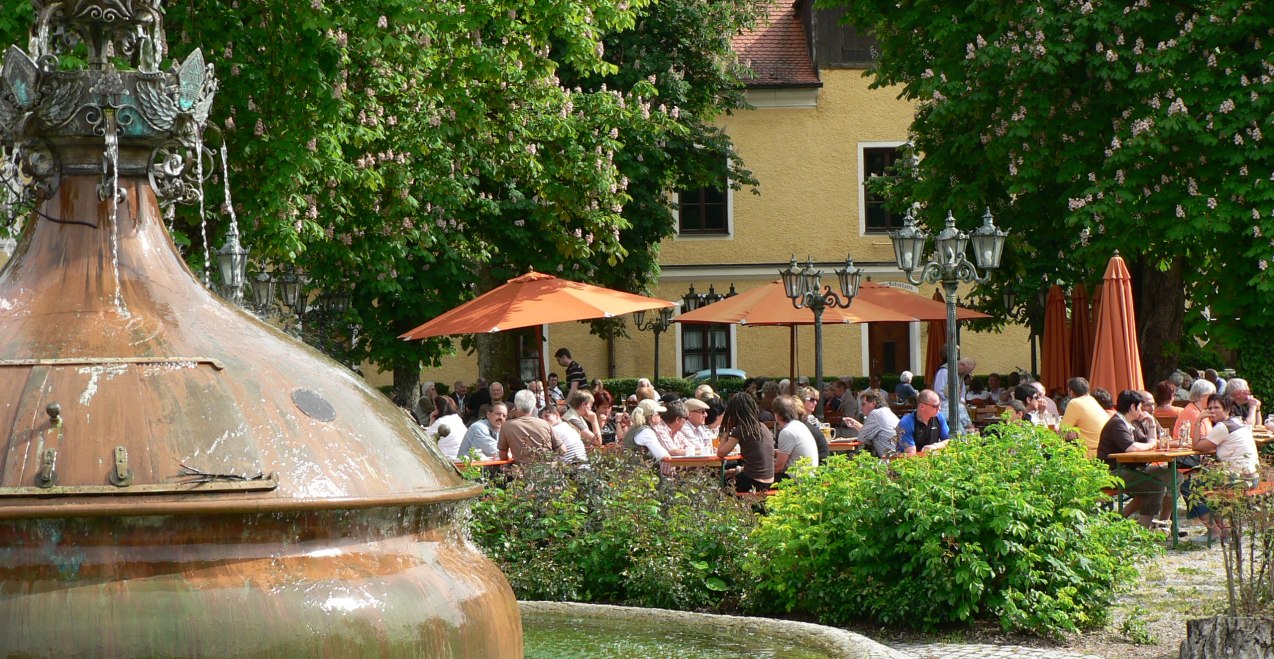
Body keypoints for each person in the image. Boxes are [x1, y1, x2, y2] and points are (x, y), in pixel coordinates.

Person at [1185, 393, 1260, 537]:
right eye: (1209, 408)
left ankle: (1213, 531)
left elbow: (1197, 446)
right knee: (1206, 482)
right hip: (1251, 476)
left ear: (1227, 410)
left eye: (1216, 408)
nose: (1212, 411)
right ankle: (1224, 530)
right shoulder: (1238, 422)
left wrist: (1199, 420)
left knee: (1188, 486)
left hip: (1239, 479)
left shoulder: (1222, 427)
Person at [1097, 390, 1169, 530]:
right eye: (1140, 407)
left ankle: (1153, 525)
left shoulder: (1127, 423)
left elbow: (1148, 441)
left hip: (1128, 469)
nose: (1141, 411)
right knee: (1154, 486)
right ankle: (1142, 530)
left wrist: (1151, 424)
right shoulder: (1117, 423)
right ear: (1132, 407)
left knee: (1169, 477)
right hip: (1111, 472)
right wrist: (1150, 445)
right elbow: (1131, 447)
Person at [716, 393, 775, 493]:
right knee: (731, 475)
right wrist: (737, 471)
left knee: (722, 483)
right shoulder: (762, 426)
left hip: (754, 482)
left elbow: (720, 453)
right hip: (770, 481)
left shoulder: (741, 430)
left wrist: (725, 433)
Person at [497, 389, 563, 464]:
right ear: (534, 406)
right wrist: (548, 460)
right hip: (546, 471)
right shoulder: (545, 424)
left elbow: (502, 454)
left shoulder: (506, 426)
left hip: (522, 472)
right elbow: (562, 450)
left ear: (515, 406)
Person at [1059, 377, 1108, 457]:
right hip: (1103, 451)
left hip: (1088, 454)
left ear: (1071, 392)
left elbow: (1062, 432)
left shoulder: (1074, 403)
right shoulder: (1093, 400)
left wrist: (1068, 434)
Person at [773, 396, 818, 480]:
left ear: (778, 414)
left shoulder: (787, 431)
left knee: (755, 480)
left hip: (797, 481)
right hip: (809, 478)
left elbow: (779, 466)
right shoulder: (799, 425)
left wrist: (762, 473)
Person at [897, 389, 951, 455]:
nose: (939, 408)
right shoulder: (906, 423)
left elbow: (949, 441)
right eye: (935, 406)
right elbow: (910, 453)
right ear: (922, 407)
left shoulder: (939, 417)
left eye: (939, 405)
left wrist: (935, 446)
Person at [858, 391, 901, 458]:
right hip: (899, 456)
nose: (861, 407)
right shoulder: (886, 411)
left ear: (873, 403)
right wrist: (855, 424)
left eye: (863, 404)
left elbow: (861, 438)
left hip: (890, 460)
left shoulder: (875, 414)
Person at [1173, 379, 1216, 443]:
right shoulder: (1192, 412)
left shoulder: (1202, 411)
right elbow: (1201, 438)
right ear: (1201, 396)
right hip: (1188, 451)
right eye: (1211, 396)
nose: (1213, 399)